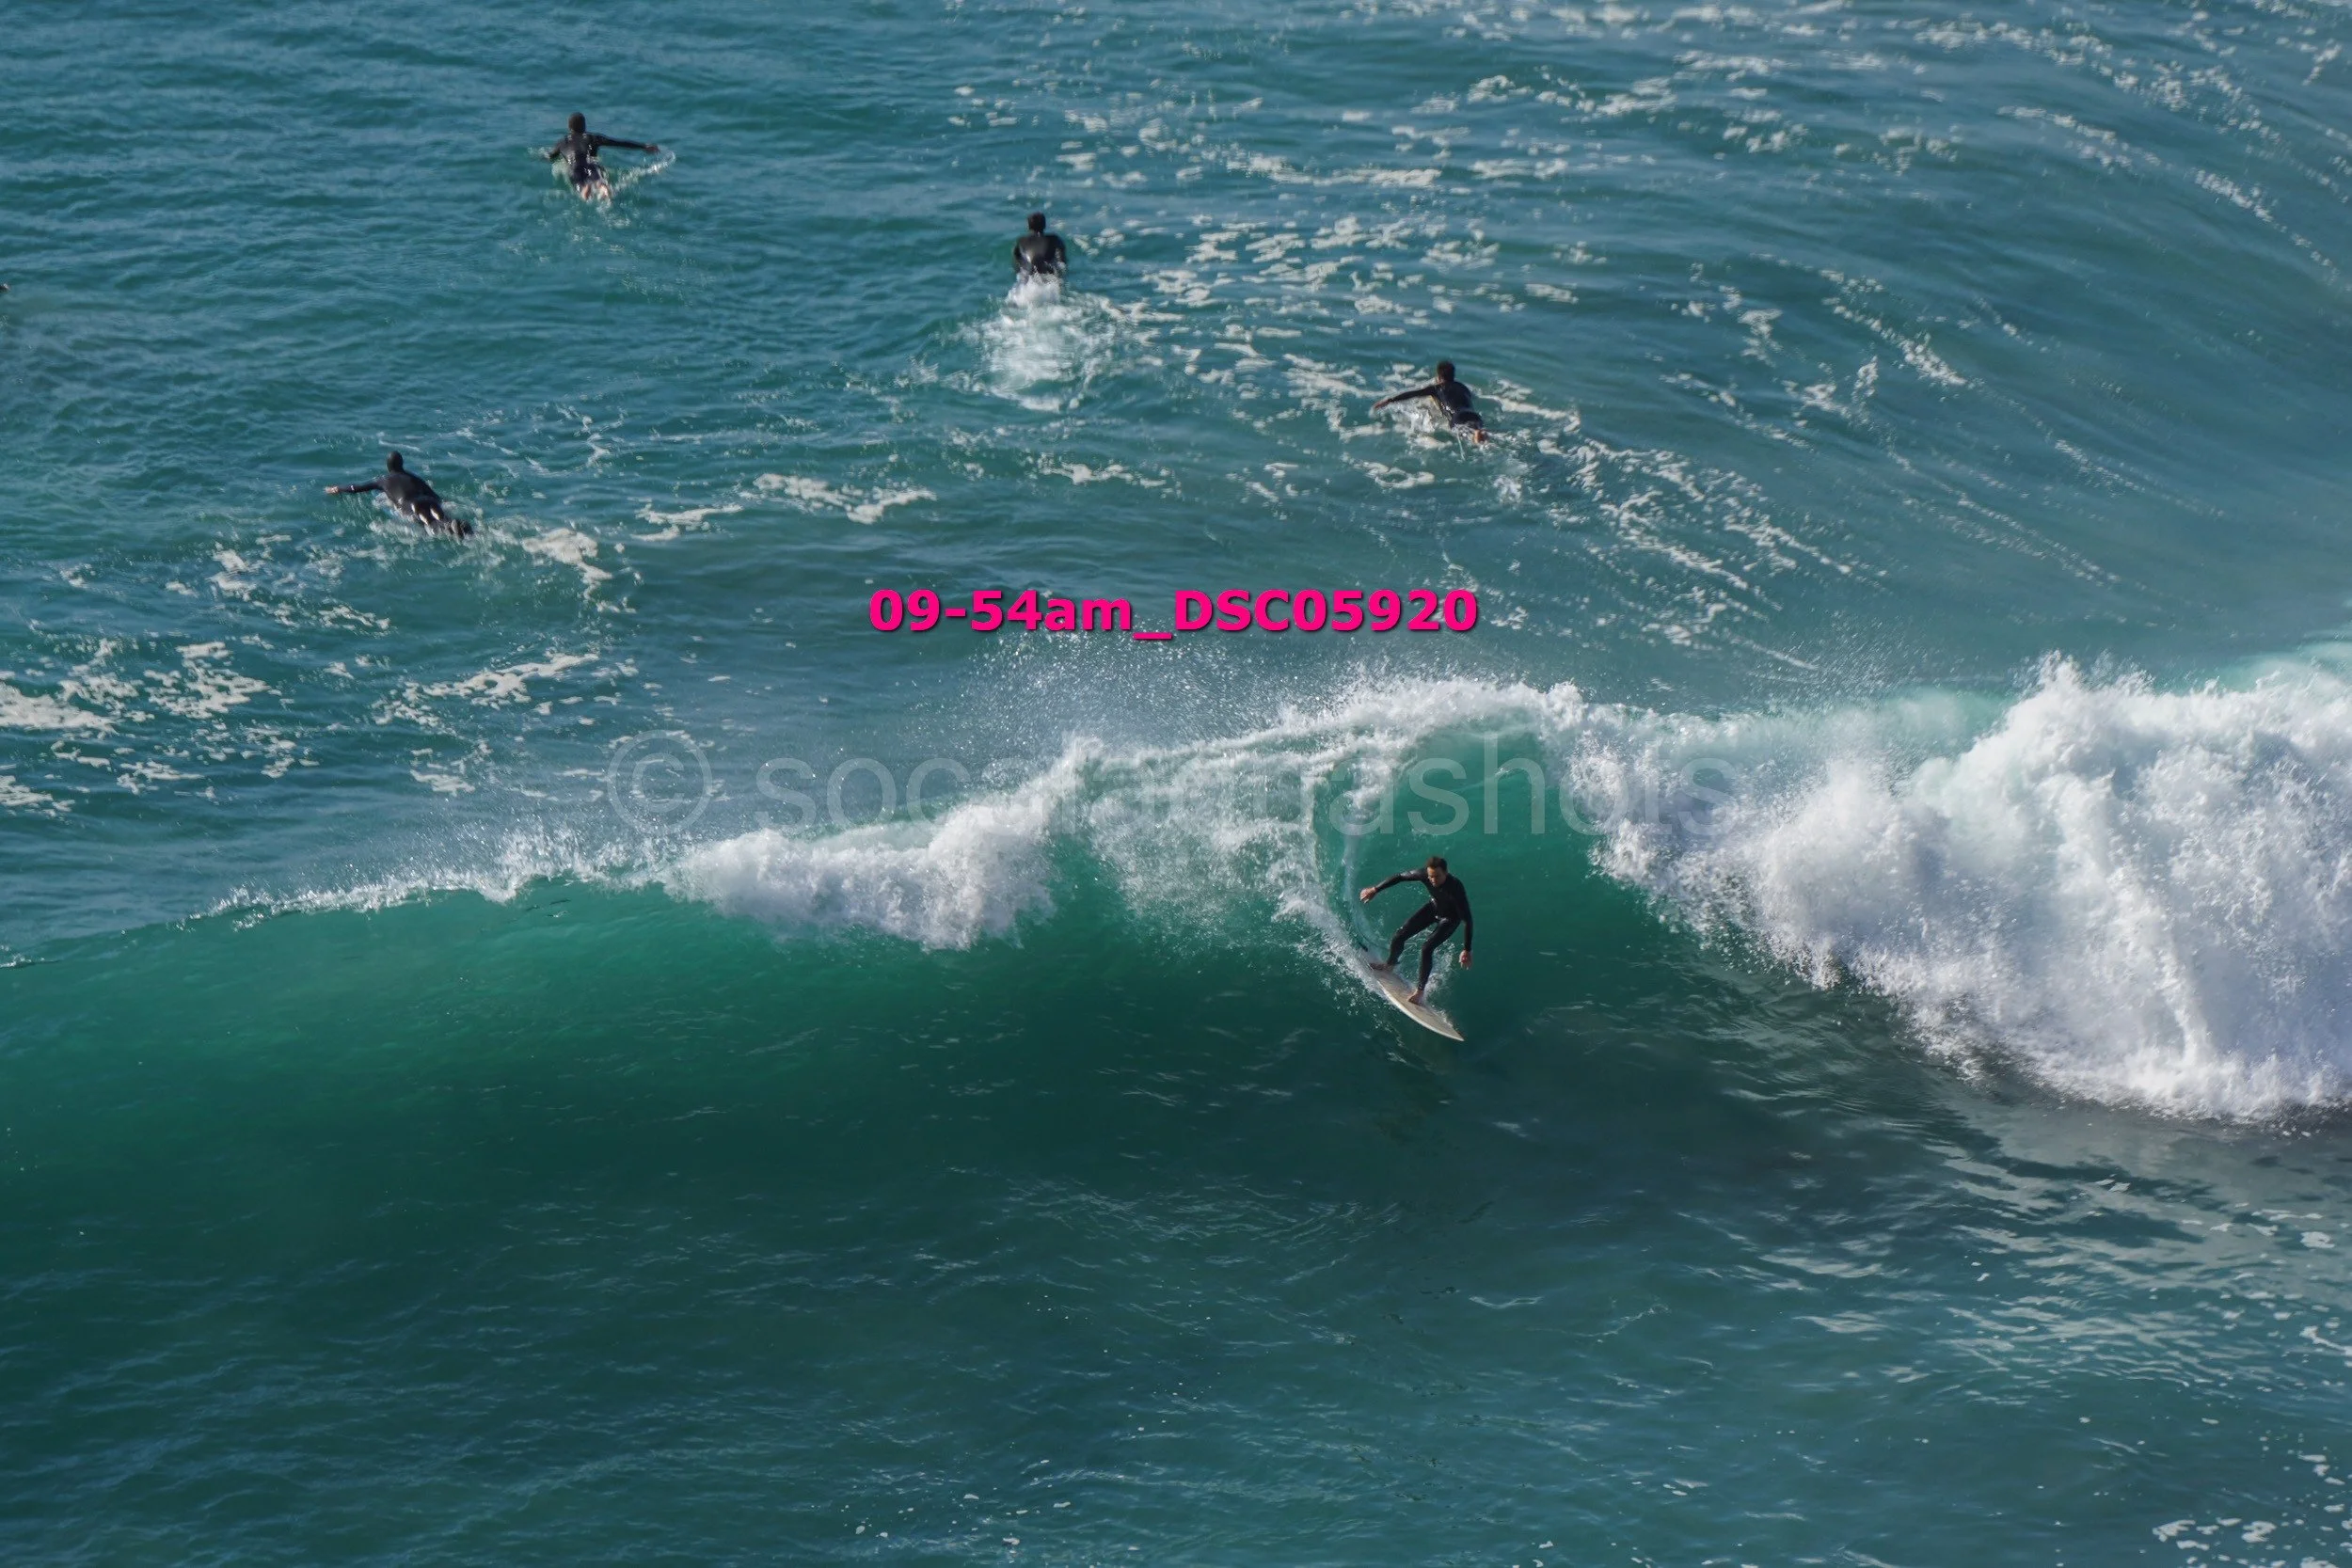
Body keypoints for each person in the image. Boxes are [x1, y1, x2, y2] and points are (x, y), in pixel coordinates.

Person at [1359, 855, 1474, 1005]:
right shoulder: (1425, 874)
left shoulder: (1456, 888)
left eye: (1437, 876)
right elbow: (1400, 877)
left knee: (1426, 948)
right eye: (1431, 876)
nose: (1433, 880)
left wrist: (1467, 949)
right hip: (1434, 907)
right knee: (1400, 935)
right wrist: (1375, 889)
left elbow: (1468, 920)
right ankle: (1389, 965)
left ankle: (1420, 991)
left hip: (1450, 919)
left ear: (1446, 873)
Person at [325, 452, 471, 537]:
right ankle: (456, 525)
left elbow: (357, 488)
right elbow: (435, 496)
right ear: (402, 464)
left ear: (388, 466)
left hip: (411, 505)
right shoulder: (413, 477)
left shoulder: (383, 480)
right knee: (444, 519)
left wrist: (338, 488)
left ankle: (449, 529)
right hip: (428, 500)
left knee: (430, 525)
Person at [545, 112, 660, 198]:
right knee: (600, 182)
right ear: (584, 126)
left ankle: (586, 189)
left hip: (574, 168)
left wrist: (544, 156)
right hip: (591, 164)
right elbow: (618, 143)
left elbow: (551, 157)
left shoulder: (561, 143)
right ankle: (603, 189)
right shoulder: (592, 137)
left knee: (581, 188)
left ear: (569, 127)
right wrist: (643, 146)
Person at [1373, 360, 1487, 443]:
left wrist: (1389, 400)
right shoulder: (1463, 387)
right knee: (1478, 433)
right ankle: (1478, 433)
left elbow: (1412, 394)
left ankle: (1476, 435)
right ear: (1453, 375)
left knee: (1468, 438)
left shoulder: (1436, 388)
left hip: (1457, 417)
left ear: (1438, 376)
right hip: (1474, 416)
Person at [1013, 212, 1068, 281]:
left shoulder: (1020, 241)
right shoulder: (1054, 239)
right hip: (1048, 272)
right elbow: (1062, 258)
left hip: (1030, 273)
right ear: (1044, 225)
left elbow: (1017, 262)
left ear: (1028, 226)